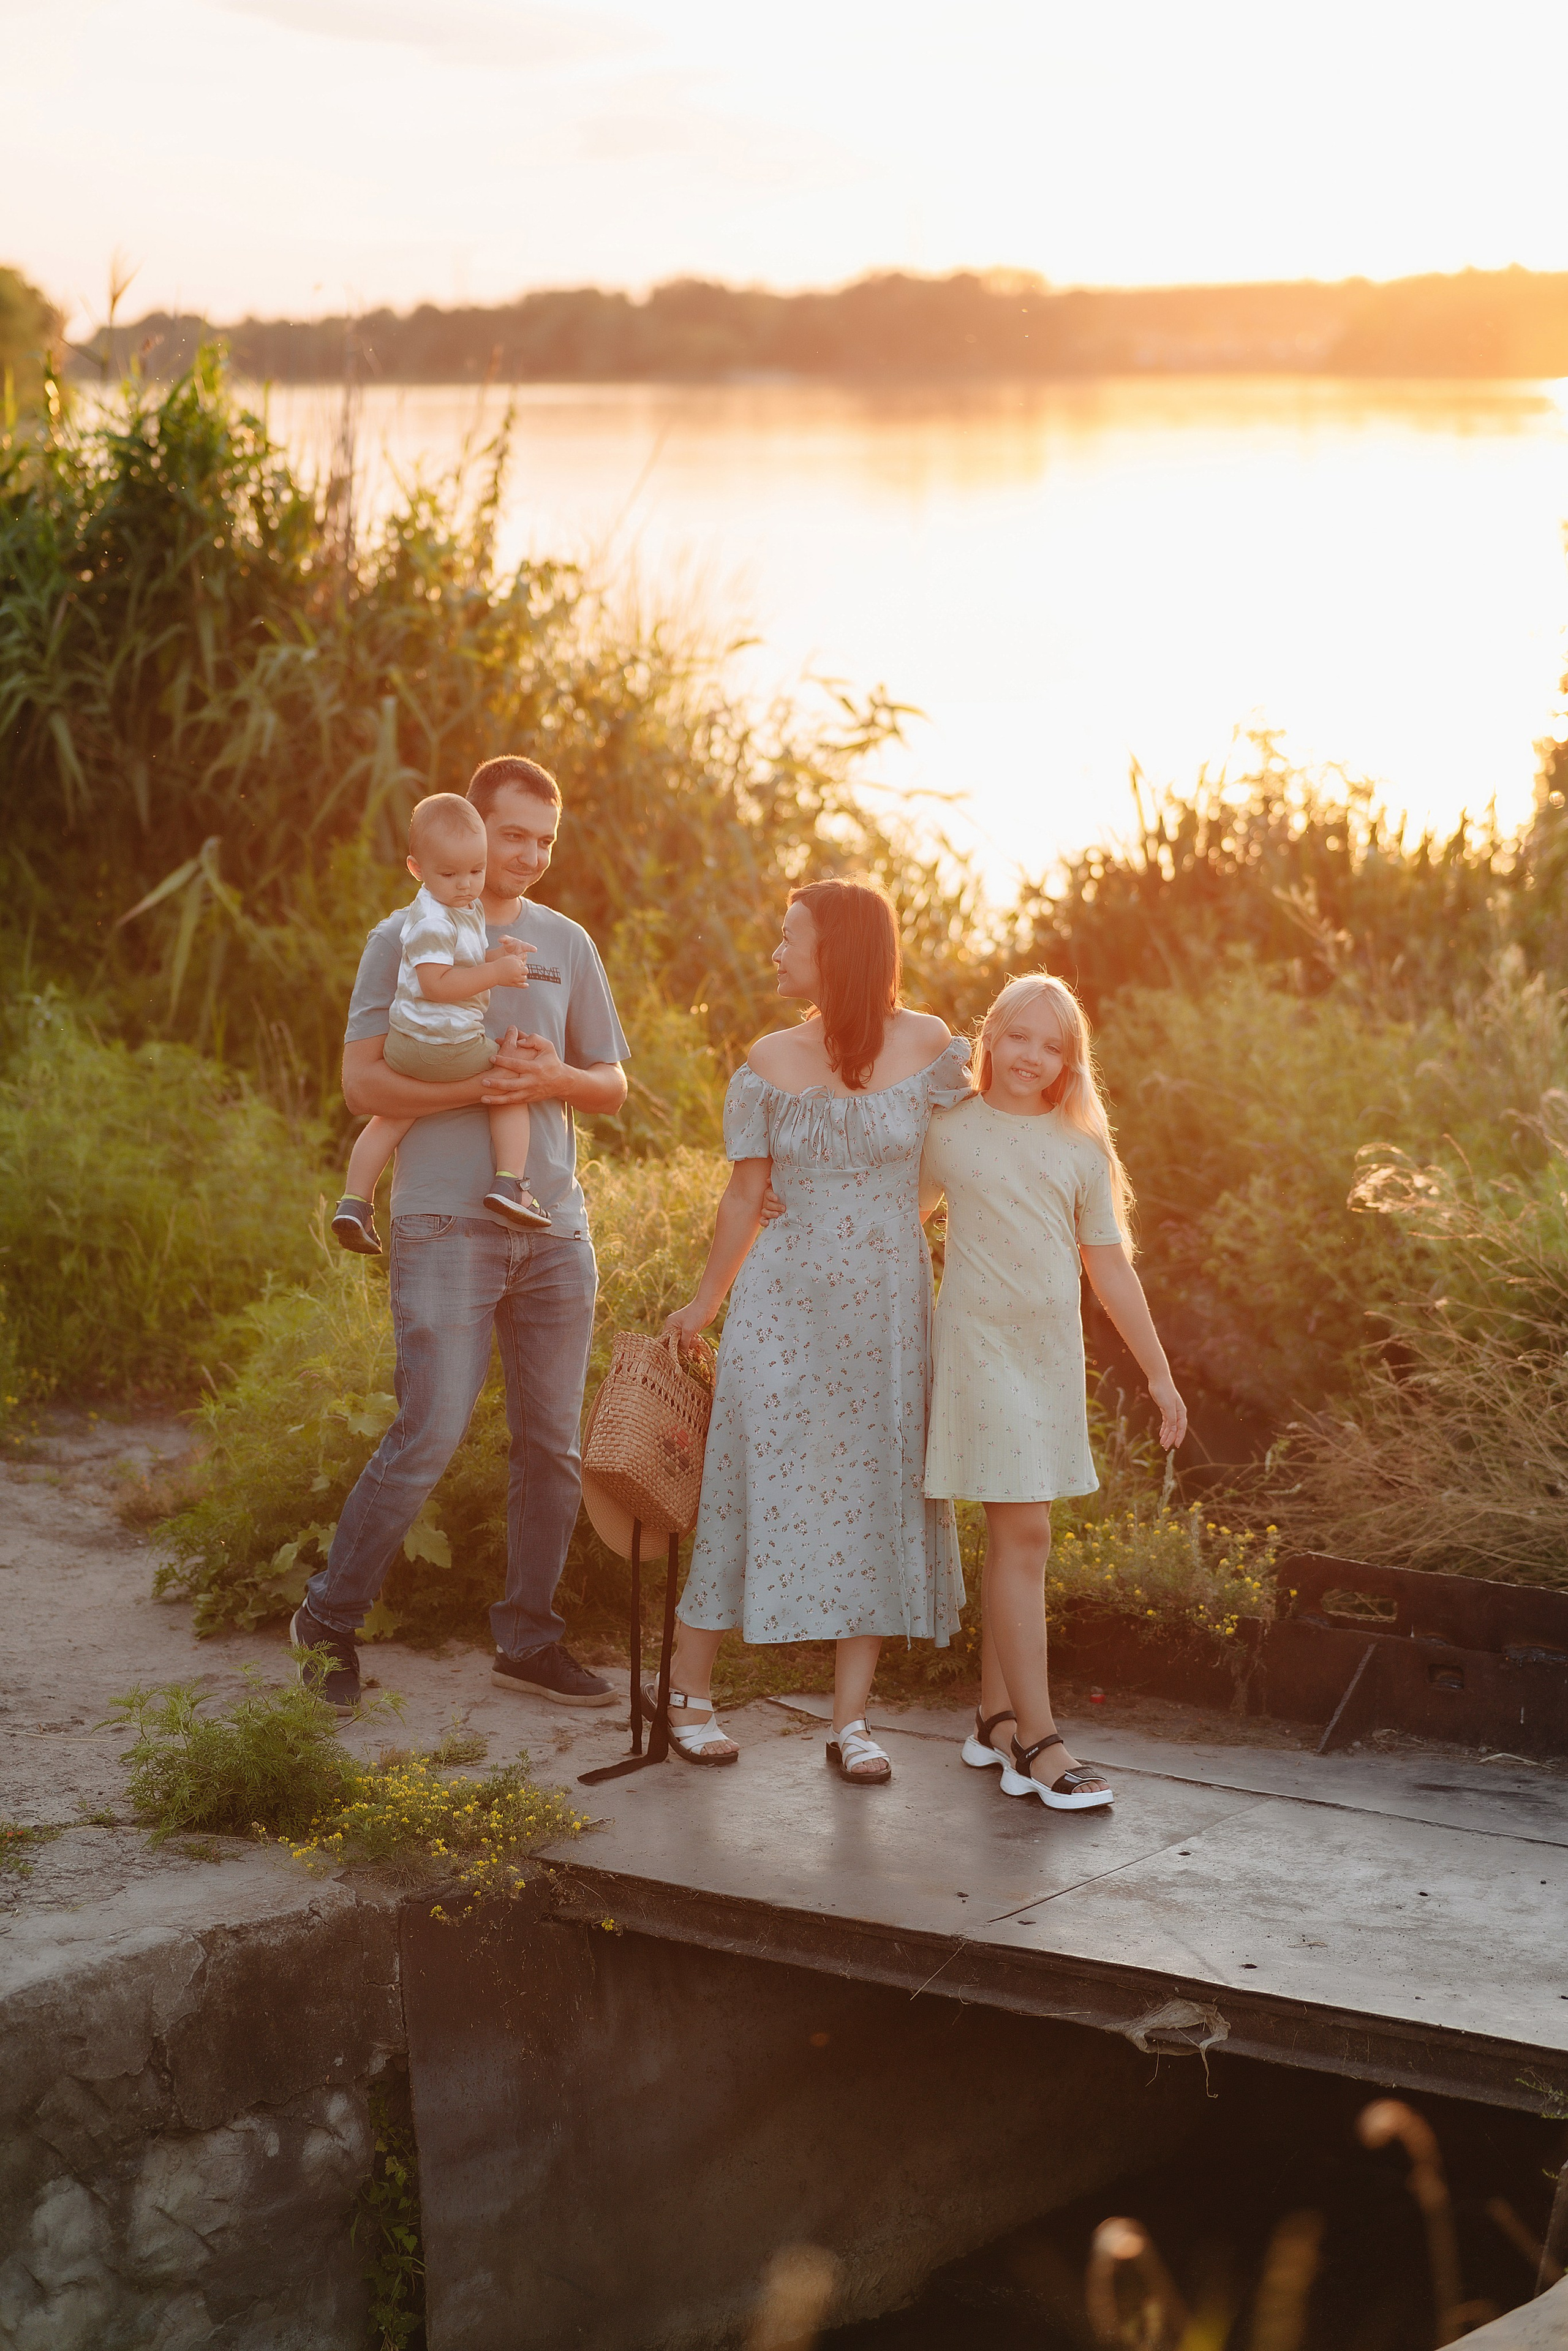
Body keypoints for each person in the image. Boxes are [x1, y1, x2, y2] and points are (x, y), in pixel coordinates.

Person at [290, 754, 630, 1712]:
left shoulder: (567, 942)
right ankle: (328, 1618)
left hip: (554, 1227)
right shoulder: (402, 937)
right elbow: (362, 1083)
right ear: (474, 830)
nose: (528, 855)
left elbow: (610, 1083)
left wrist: (551, 1078)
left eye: (544, 840)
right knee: (431, 1429)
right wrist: (482, 1086)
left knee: (551, 1449)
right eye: (512, 835)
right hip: (444, 1223)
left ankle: (529, 1639)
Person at [662, 877, 972, 1784]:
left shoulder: (931, 1044)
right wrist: (704, 1302)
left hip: (887, 1317)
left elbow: (953, 1165)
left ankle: (851, 1721)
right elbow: (745, 1194)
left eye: (789, 936)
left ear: (837, 950)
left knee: (877, 1495)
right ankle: (687, 1693)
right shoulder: (768, 1058)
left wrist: (884, 1220)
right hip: (781, 1307)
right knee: (741, 1484)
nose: (776, 952)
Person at [921, 973, 1187, 1810]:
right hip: (977, 1349)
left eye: (1052, 1044)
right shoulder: (949, 1130)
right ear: (989, 1037)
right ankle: (1039, 1741)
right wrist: (784, 1201)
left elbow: (1109, 1266)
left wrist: (1158, 1373)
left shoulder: (1080, 1149)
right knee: (1025, 1530)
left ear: (1071, 1061)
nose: (1031, 1055)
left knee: (1018, 1537)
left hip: (1046, 1358)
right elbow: (893, 1213)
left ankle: (994, 1722)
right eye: (1018, 1036)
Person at [331, 793, 548, 1253]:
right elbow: (437, 984)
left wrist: (496, 954)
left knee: (392, 1118)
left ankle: (354, 1203)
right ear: (417, 869)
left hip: (411, 1045)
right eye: (450, 875)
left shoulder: (458, 906)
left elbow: (461, 959)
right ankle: (511, 1183)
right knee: (512, 1077)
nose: (466, 885)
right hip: (442, 1044)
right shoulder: (431, 918)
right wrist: (498, 973)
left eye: (476, 871)